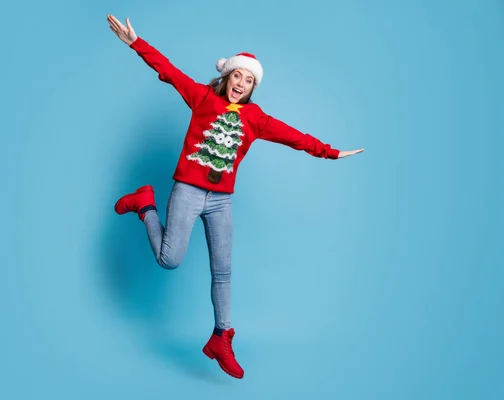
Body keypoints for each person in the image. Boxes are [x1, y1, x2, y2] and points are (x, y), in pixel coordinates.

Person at [107, 14, 364, 379]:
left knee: (223, 271)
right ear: (227, 76)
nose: (241, 83)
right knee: (169, 260)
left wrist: (330, 152)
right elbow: (168, 71)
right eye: (237, 76)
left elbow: (294, 136)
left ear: (252, 87)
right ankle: (144, 203)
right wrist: (136, 42)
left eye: (248, 80)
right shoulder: (201, 98)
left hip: (221, 200)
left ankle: (220, 336)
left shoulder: (255, 118)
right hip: (189, 191)